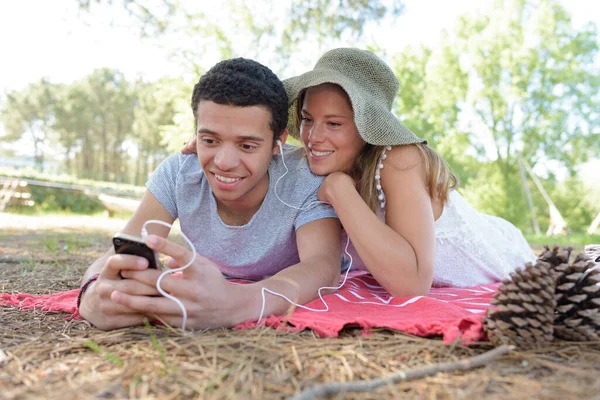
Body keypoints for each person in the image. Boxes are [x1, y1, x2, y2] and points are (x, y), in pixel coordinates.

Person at [182, 48, 536, 297]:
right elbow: (258, 157)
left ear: (367, 126)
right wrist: (216, 145)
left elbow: (412, 285)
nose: (314, 137)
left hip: (501, 254)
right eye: (307, 119)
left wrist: (340, 189)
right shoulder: (316, 161)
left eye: (334, 123)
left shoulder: (399, 160)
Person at [78, 57, 342, 331]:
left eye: (247, 146)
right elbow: (119, 249)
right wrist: (90, 294)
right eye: (210, 140)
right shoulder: (179, 173)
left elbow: (322, 266)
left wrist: (240, 304)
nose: (225, 161)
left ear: (279, 142)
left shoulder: (303, 177)